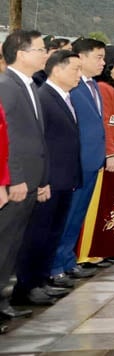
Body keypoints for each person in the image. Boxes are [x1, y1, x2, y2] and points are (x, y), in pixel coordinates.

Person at [13, 50, 82, 305]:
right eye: (74, 69)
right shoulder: (44, 97)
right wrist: (44, 180)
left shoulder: (64, 97)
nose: (78, 74)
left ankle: (42, 279)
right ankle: (27, 286)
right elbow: (41, 143)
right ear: (58, 70)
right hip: (50, 179)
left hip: (64, 178)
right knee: (38, 234)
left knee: (53, 233)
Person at [48, 39, 110, 285]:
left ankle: (68, 260)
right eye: (98, 56)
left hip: (92, 161)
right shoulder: (70, 87)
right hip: (75, 163)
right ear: (80, 58)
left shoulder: (93, 85)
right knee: (66, 216)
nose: (103, 62)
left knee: (77, 216)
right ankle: (55, 266)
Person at [0, 30, 49, 323]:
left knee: (13, 244)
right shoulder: (6, 85)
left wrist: (41, 179)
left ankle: (4, 298)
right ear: (21, 53)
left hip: (31, 179)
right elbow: (8, 139)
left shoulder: (28, 84)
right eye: (41, 49)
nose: (46, 54)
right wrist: (13, 179)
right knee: (4, 243)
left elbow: (36, 137)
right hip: (16, 182)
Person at [78, 46, 114, 261]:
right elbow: (104, 122)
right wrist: (110, 152)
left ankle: (111, 244)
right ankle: (98, 248)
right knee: (106, 199)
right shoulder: (103, 88)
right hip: (111, 150)